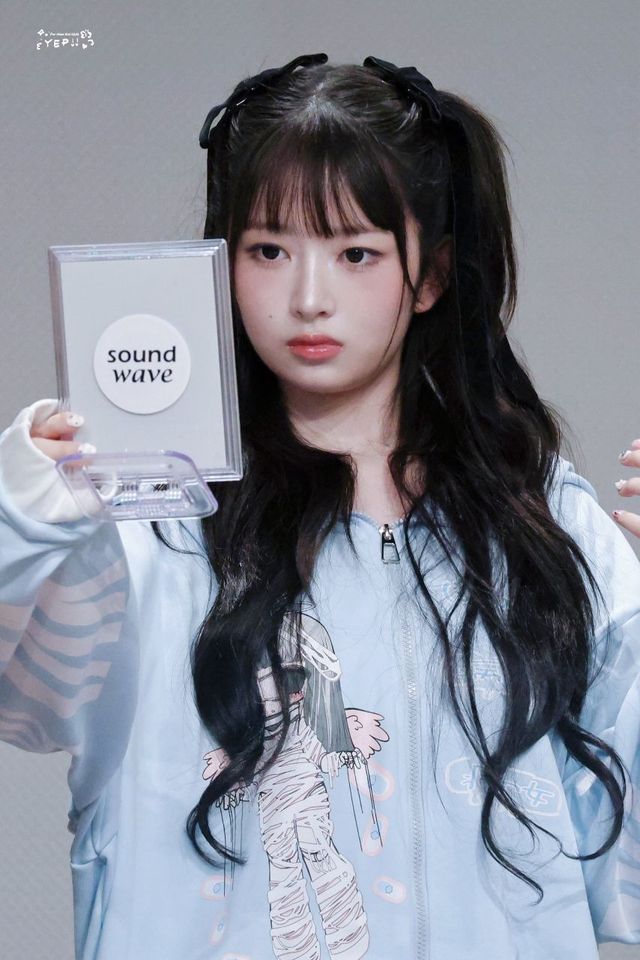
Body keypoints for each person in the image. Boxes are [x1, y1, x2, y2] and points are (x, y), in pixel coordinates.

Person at [0, 52, 638, 960]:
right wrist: (24, 518)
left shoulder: (543, 526)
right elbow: (24, 697)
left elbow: (622, 829)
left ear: (430, 275)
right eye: (269, 250)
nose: (307, 298)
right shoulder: (151, 521)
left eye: (355, 254)